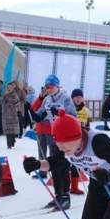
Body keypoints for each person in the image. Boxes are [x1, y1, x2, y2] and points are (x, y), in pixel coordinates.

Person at [31, 74, 76, 210]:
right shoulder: (47, 99)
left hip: (66, 137)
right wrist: (30, 111)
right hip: (55, 135)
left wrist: (60, 112)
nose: (49, 90)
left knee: (63, 166)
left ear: (57, 86)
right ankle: (58, 195)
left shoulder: (65, 98)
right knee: (55, 166)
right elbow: (40, 116)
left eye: (51, 87)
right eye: (47, 87)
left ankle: (66, 196)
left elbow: (73, 116)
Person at [0, 80, 23, 149]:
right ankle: (9, 144)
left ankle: (11, 142)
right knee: (8, 131)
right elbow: (1, 102)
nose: (9, 88)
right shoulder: (4, 94)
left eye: (10, 87)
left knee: (12, 131)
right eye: (8, 87)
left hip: (12, 115)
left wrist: (7, 98)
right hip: (5, 115)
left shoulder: (14, 95)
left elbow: (16, 103)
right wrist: (4, 97)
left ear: (13, 88)